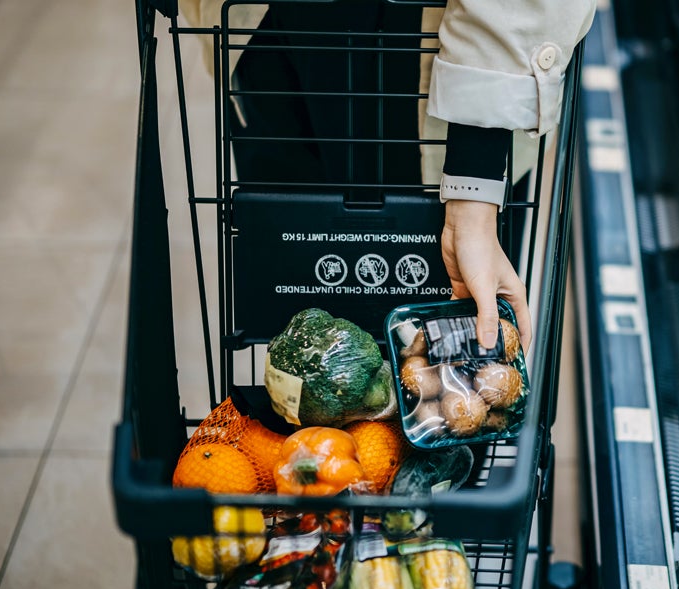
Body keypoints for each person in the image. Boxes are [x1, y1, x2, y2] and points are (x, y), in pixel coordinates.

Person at [177, 0, 597, 351]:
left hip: (427, 48)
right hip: (260, 27)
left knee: (439, 369)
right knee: (298, 338)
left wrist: (473, 185)